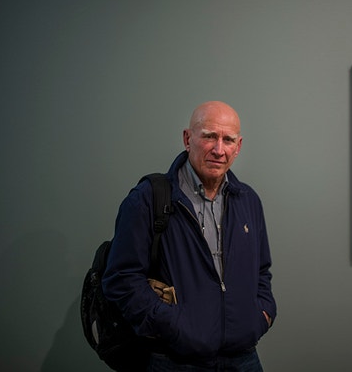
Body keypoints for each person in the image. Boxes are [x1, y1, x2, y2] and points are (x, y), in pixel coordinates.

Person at [102, 101, 277, 371]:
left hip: (243, 358)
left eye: (228, 140)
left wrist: (261, 315)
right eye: (209, 136)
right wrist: (171, 325)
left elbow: (262, 271)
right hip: (174, 359)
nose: (219, 149)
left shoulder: (248, 201)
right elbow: (121, 279)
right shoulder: (148, 199)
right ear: (188, 138)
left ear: (238, 146)